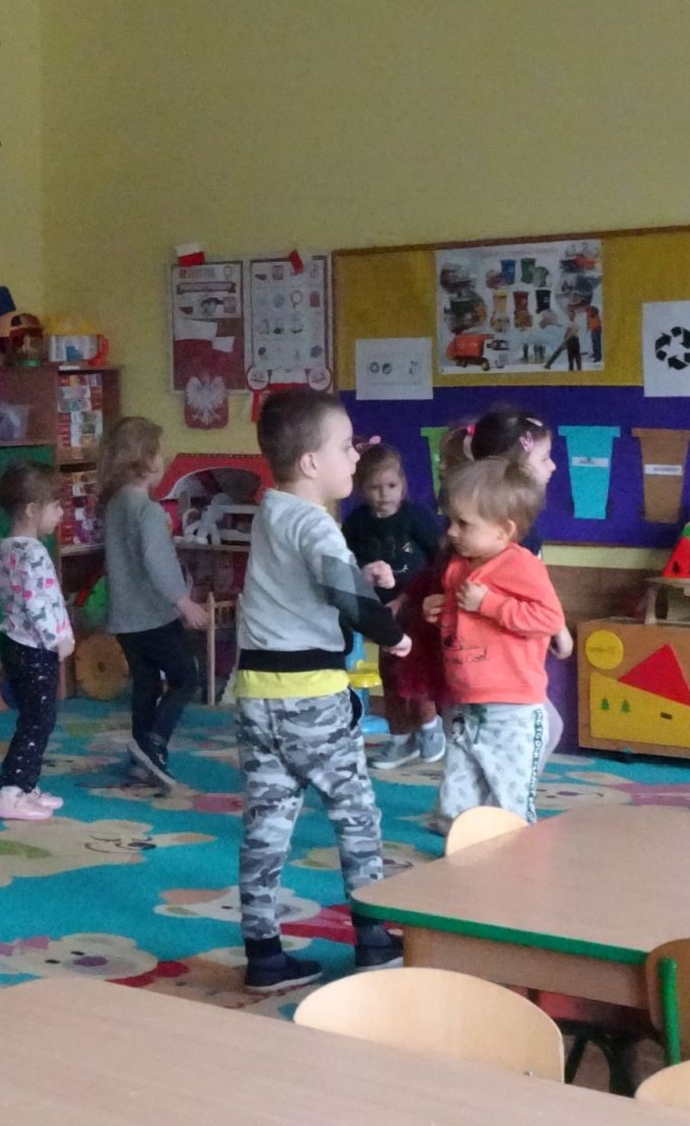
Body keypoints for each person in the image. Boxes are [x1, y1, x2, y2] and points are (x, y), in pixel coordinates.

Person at [237, 390, 411, 990]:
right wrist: (393, 634)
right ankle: (373, 938)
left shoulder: (273, 510)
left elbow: (306, 587)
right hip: (311, 696)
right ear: (312, 462)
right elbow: (345, 597)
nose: (357, 456)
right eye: (346, 446)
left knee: (267, 824)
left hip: (257, 693)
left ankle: (263, 953)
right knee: (356, 814)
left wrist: (360, 578)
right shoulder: (316, 522)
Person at [423, 457, 568, 824]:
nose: (451, 532)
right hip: (466, 702)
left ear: (504, 530)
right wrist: (439, 609)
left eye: (463, 523)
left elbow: (549, 619)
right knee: (455, 800)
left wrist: (490, 604)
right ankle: (461, 845)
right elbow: (463, 619)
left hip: (513, 708)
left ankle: (510, 852)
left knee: (507, 801)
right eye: (450, 521)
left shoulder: (521, 565)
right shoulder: (460, 564)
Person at [446, 406, 573, 763]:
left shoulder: (506, 532)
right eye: (544, 458)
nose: (553, 467)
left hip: (501, 662)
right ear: (515, 467)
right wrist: (558, 628)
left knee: (537, 731)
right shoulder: (499, 537)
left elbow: (533, 593)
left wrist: (556, 627)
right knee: (538, 729)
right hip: (490, 667)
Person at [100, 417, 209, 791]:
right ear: (145, 460)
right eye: (159, 453)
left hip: (124, 617)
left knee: (146, 683)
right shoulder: (146, 510)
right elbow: (157, 560)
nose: (163, 460)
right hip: (152, 616)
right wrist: (184, 602)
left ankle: (139, 758)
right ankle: (154, 745)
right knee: (186, 677)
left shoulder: (115, 504)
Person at [343, 445, 444, 769]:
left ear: (403, 484)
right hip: (382, 612)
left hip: (417, 607)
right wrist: (364, 575)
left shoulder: (417, 517)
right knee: (390, 672)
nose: (384, 494)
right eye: (374, 487)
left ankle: (430, 726)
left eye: (391, 485)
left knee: (414, 668)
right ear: (361, 488)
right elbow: (346, 562)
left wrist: (413, 598)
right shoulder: (357, 522)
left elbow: (440, 561)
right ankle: (401, 739)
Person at [0, 462, 76, 822]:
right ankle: (11, 791)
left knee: (34, 717)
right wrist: (58, 638)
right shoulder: (32, 552)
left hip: (15, 643)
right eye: (56, 506)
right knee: (38, 720)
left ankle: (26, 785)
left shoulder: (7, 547)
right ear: (31, 510)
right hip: (34, 648)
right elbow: (36, 602)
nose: (61, 513)